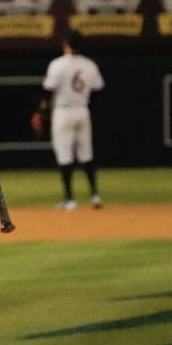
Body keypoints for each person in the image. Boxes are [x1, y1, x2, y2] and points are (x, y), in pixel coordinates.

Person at [42, 29, 104, 210]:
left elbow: (48, 91)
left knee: (65, 155)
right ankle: (95, 196)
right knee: (87, 154)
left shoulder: (57, 64)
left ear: (65, 44)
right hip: (82, 110)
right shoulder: (90, 65)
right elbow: (98, 89)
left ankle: (69, 199)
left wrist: (40, 111)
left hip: (63, 112)